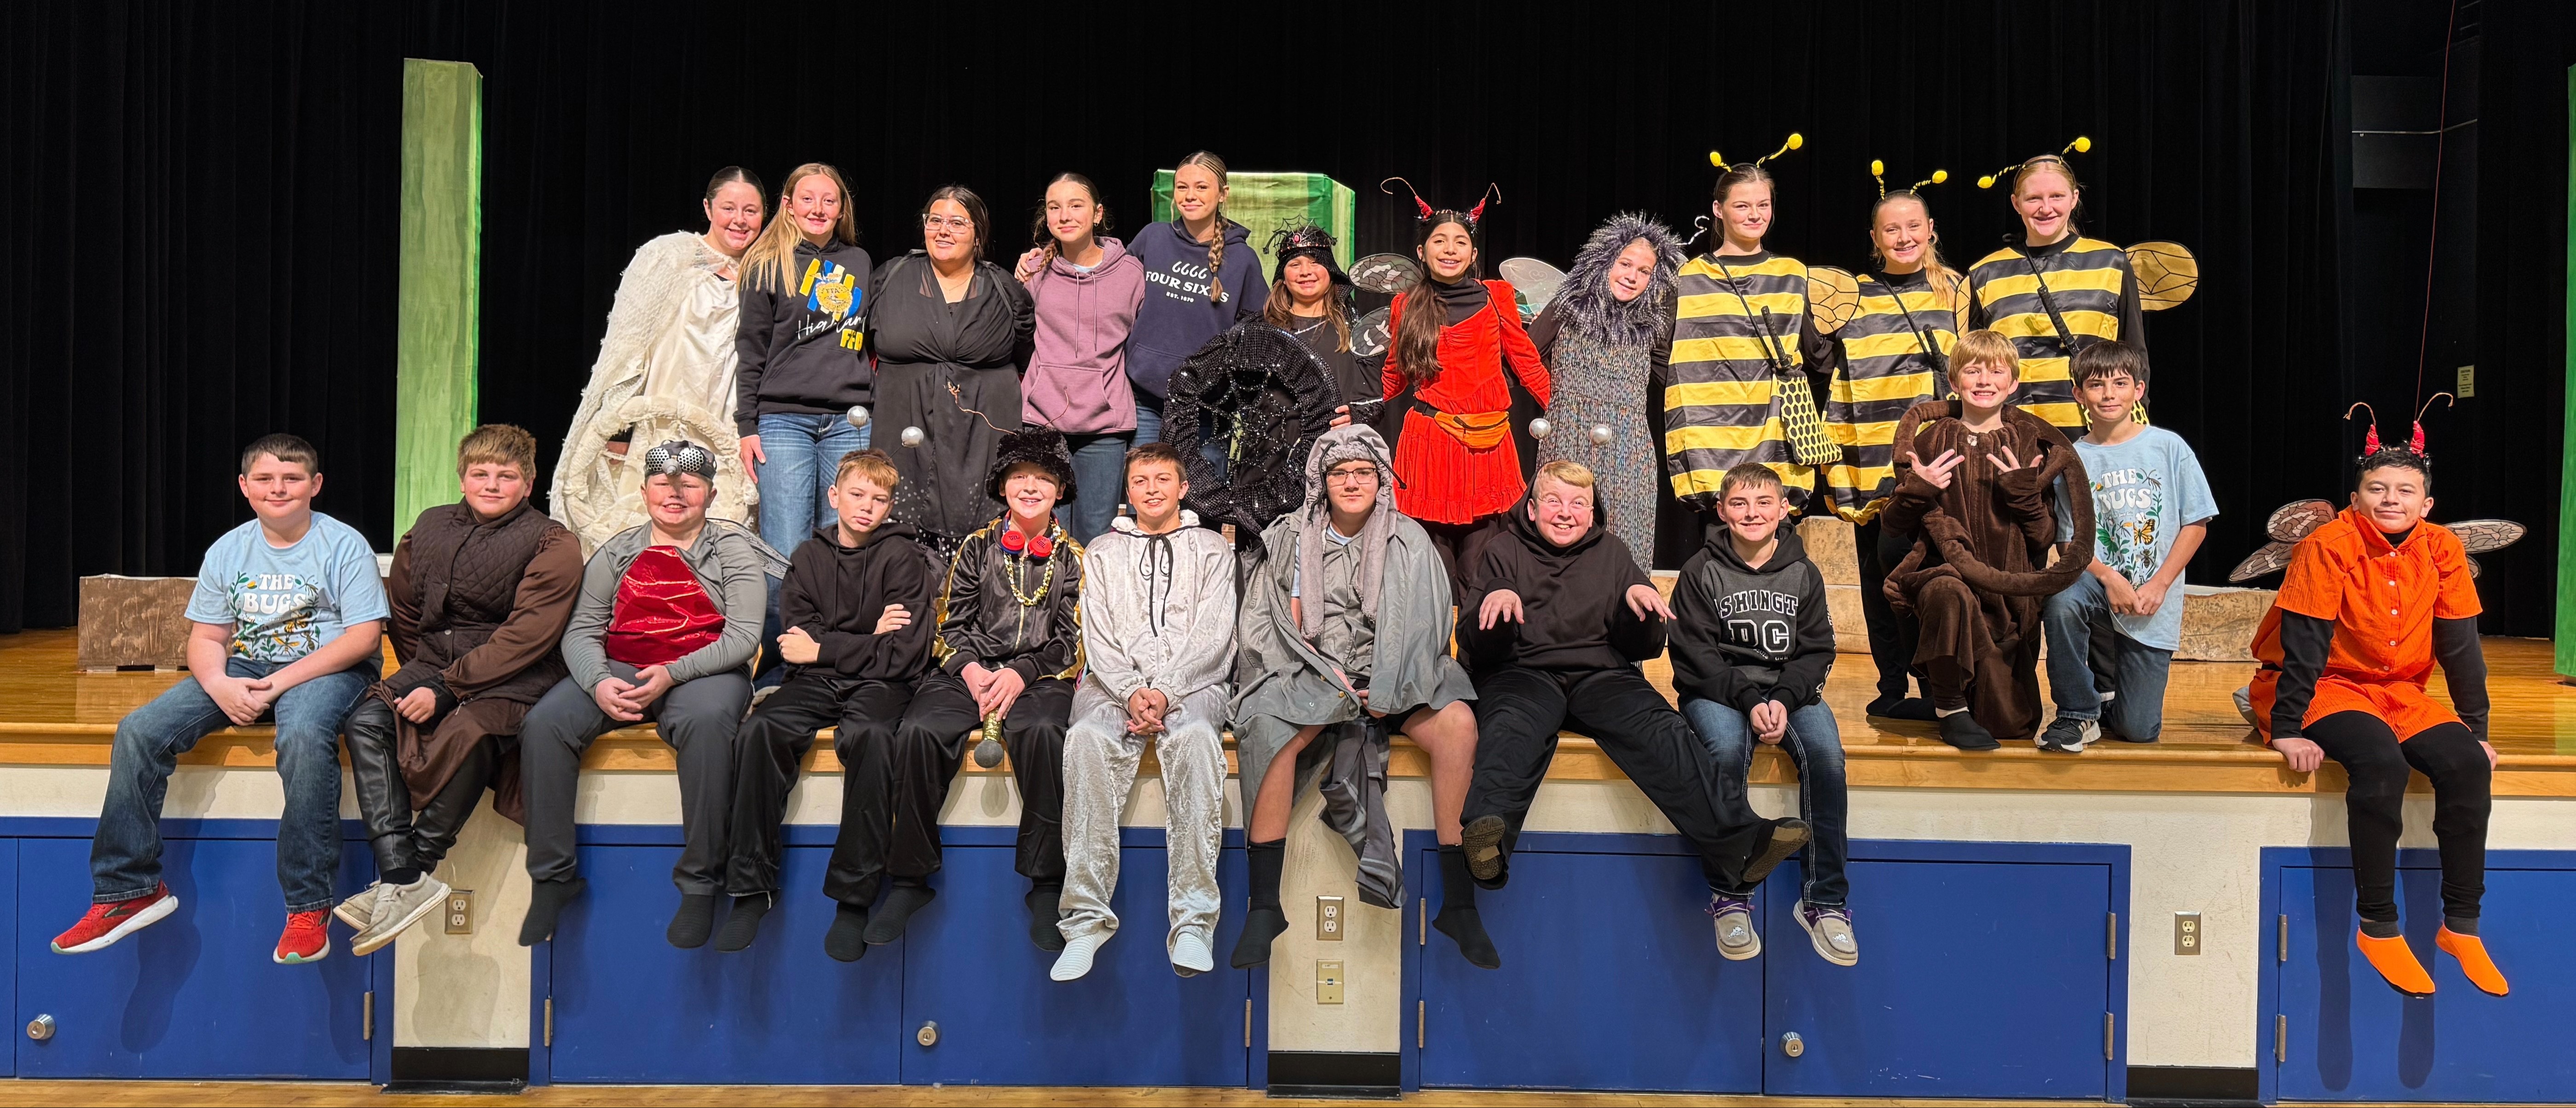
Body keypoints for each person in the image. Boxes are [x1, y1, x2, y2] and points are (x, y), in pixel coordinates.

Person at [1456, 461, 1810, 969]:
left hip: (1602, 675)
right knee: (1512, 728)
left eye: (1578, 503)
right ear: (1532, 509)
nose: (1566, 513)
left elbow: (1643, 646)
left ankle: (1746, 842)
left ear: (1591, 510)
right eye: (1554, 502)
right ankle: (1487, 843)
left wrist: (1637, 611)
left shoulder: (1613, 553)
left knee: (1664, 730)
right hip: (1523, 671)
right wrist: (1497, 604)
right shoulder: (1503, 551)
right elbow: (1474, 645)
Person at [52, 435, 387, 963]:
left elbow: (364, 638)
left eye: (293, 478)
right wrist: (221, 685)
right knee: (139, 730)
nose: (279, 488)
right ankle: (128, 889)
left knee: (301, 735)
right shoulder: (229, 549)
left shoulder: (343, 544)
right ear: (244, 487)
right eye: (265, 479)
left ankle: (307, 905)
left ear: (315, 485)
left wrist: (277, 685)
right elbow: (206, 639)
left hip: (330, 667)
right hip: (245, 667)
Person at [2247, 423, 2505, 998]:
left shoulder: (2443, 548)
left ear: (2427, 502)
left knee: (2466, 764)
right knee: (2381, 764)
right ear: (2357, 496)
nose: (2391, 499)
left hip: (2402, 692)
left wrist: (2476, 730)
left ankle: (2461, 926)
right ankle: (2379, 925)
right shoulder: (2328, 545)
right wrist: (2286, 729)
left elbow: (2461, 647)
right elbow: (2306, 642)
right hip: (2328, 685)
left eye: (2405, 490)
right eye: (2378, 488)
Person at [1228, 425, 1481, 969]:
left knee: (1458, 724)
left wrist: (1385, 686)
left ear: (1381, 479)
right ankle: (1265, 903)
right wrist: (1330, 678)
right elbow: (1273, 624)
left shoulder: (1410, 540)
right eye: (1339, 473)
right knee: (1267, 727)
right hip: (1317, 672)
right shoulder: (1292, 538)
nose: (1351, 482)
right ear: (1321, 481)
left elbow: (1424, 626)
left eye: (1363, 472)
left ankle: (1459, 902)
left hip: (1401, 675)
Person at [515, 441, 774, 950]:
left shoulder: (733, 547)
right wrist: (597, 681)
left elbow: (743, 637)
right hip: (623, 666)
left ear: (711, 493)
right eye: (663, 485)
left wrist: (673, 673)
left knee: (705, 726)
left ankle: (701, 882)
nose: (674, 495)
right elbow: (582, 629)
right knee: (545, 724)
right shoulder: (618, 550)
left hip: (706, 668)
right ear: (644, 491)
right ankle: (552, 876)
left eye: (689, 486)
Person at [336, 425, 583, 957]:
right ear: (463, 476)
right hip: (434, 664)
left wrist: (450, 690)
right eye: (480, 474)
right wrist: (428, 672)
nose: (492, 484)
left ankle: (415, 868)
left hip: (521, 671)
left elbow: (531, 633)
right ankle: (401, 872)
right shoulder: (429, 525)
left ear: (529, 481)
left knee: (473, 726)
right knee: (366, 719)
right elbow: (402, 608)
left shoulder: (554, 541)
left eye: (507, 475)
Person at [864, 429, 1087, 951]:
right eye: (1018, 477)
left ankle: (1046, 881)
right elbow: (949, 625)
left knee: (1044, 730)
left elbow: (1073, 641)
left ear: (1059, 491)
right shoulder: (975, 547)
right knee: (918, 729)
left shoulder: (1075, 556)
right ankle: (909, 879)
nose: (1029, 486)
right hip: (967, 671)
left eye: (1042, 479)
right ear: (1003, 487)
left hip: (1039, 677)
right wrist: (969, 669)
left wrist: (1021, 673)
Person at [712, 448, 936, 960]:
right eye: (857, 495)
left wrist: (829, 647)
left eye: (880, 500)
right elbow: (795, 645)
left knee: (872, 737)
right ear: (835, 496)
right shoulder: (808, 557)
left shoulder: (903, 558)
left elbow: (905, 653)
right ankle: (750, 886)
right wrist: (865, 638)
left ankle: (853, 899)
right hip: (817, 680)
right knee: (760, 730)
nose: (867, 507)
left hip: (882, 682)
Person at [1051, 443, 1236, 981]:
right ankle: (1084, 921)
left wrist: (1169, 690)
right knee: (1085, 739)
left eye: (1162, 479)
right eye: (1139, 481)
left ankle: (1194, 924)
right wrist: (1133, 689)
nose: (1151, 489)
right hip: (1113, 686)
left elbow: (1215, 631)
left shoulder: (1212, 549)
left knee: (1199, 741)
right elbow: (1098, 632)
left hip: (1194, 683)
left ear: (1183, 487)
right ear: (1127, 491)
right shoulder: (1104, 551)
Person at [1671, 464, 1852, 966]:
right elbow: (1697, 656)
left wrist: (1784, 699)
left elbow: (1817, 650)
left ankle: (1824, 901)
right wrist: (1751, 701)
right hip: (1720, 692)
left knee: (1826, 755)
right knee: (1725, 750)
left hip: (1789, 694)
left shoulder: (1804, 571)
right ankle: (1729, 892)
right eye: (1740, 504)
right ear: (1721, 511)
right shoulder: (1700, 570)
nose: (1752, 514)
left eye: (1764, 503)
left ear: (1784, 510)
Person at [1880, 331, 2095, 749]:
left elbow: (2044, 536)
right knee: (1947, 591)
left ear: (2013, 383)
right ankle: (1950, 708)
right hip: (1942, 574)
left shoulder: (2028, 443)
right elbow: (1892, 525)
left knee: (2010, 727)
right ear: (1954, 381)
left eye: (1996, 371)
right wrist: (1917, 489)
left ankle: (1944, 704)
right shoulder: (1932, 438)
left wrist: (2025, 495)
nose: (1983, 380)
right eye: (1972, 370)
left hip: (2009, 593)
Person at [552, 167, 767, 553]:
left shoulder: (766, 271)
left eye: (751, 210)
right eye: (729, 208)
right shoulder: (667, 257)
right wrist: (617, 427)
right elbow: (625, 352)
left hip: (728, 424)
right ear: (707, 208)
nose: (740, 220)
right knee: (654, 534)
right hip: (661, 418)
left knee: (722, 537)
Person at [1826, 168, 1967, 722]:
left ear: (1931, 229)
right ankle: (1892, 686)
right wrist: (1839, 459)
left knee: (1937, 574)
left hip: (1943, 462)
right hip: (1874, 462)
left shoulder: (1958, 290)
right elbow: (1836, 380)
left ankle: (1940, 686)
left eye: (1914, 226)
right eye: (1892, 230)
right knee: (1879, 578)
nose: (1904, 237)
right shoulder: (1852, 298)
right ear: (1875, 238)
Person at [2036, 342, 2214, 752]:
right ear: (2079, 394)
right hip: (2098, 579)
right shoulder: (2072, 457)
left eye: (2119, 384)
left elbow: (2197, 523)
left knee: (2139, 730)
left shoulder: (2169, 447)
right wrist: (2109, 576)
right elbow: (2068, 538)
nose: (2109, 394)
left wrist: (2160, 585)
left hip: (2153, 592)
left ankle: (2110, 702)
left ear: (2138, 389)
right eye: (2097, 386)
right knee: (2062, 596)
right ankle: (2078, 713)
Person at [1378, 180, 1552, 597]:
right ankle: (1429, 662)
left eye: (1460, 242)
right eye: (1440, 240)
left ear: (1474, 254)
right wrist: (1358, 409)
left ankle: (1481, 661)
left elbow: (1526, 361)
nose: (1450, 249)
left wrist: (1564, 410)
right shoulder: (1406, 305)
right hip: (1429, 446)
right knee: (1430, 577)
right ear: (1422, 252)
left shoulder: (1498, 298)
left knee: (1482, 570)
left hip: (1486, 448)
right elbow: (1394, 374)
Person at [1664, 138, 1837, 515]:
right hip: (1708, 439)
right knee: (1718, 553)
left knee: (1777, 550)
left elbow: (1818, 357)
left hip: (1777, 432)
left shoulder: (1794, 275)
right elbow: (1664, 355)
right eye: (1742, 205)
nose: (1755, 214)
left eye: (1764, 204)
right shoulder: (1689, 277)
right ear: (1718, 210)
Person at [869, 186, 1038, 553]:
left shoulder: (1004, 290)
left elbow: (1028, 354)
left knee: (981, 550)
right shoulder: (890, 278)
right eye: (936, 220)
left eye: (958, 223)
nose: (943, 230)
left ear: (979, 233)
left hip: (981, 439)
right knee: (900, 548)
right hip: (903, 433)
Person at [1526, 212, 1686, 572]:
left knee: (1626, 549)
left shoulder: (1653, 323)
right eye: (1625, 263)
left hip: (1628, 450)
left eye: (1645, 271)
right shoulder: (1567, 307)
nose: (1632, 276)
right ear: (1604, 260)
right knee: (1560, 545)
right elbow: (1525, 358)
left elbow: (1671, 378)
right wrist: (1557, 398)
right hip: (1566, 440)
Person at [735, 164, 875, 558]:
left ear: (841, 210)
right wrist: (747, 424)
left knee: (845, 544)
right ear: (789, 206)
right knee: (786, 549)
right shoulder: (767, 261)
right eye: (808, 199)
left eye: (829, 200)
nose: (818, 208)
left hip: (851, 422)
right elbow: (750, 348)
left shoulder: (859, 261)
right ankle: (785, 624)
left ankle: (838, 624)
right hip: (784, 421)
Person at [1966, 139, 2148, 430]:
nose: (2046, 208)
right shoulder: (1985, 273)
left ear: (2074, 199)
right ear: (2016, 203)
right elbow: (1972, 364)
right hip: (2013, 435)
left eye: (2057, 197)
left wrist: (2133, 428)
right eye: (2034, 198)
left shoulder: (2111, 262)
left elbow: (2135, 351)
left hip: (2094, 432)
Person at [1011, 173, 1147, 543]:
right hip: (1042, 420)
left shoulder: (1131, 273)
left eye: (1076, 205)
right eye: (1055, 207)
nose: (1064, 215)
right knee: (1043, 533)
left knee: (1094, 537)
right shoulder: (1035, 270)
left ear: (1098, 213)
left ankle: (1088, 605)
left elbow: (1140, 341)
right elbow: (1019, 337)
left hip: (1104, 427)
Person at [1124, 151, 1270, 451]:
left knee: (1203, 497)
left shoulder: (1243, 259)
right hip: (1143, 399)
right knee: (1148, 494)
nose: (1190, 196)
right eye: (1182, 187)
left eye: (1202, 187)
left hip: (1207, 408)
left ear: (1223, 194)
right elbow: (1108, 284)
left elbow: (1257, 335)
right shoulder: (1152, 238)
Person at [1263, 222, 1375, 408]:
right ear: (1282, 278)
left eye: (1315, 263)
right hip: (1278, 435)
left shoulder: (1354, 330)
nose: (1306, 272)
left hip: (1334, 435)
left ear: (1330, 271)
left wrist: (1355, 416)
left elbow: (1373, 399)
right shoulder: (1264, 331)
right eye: (1295, 264)